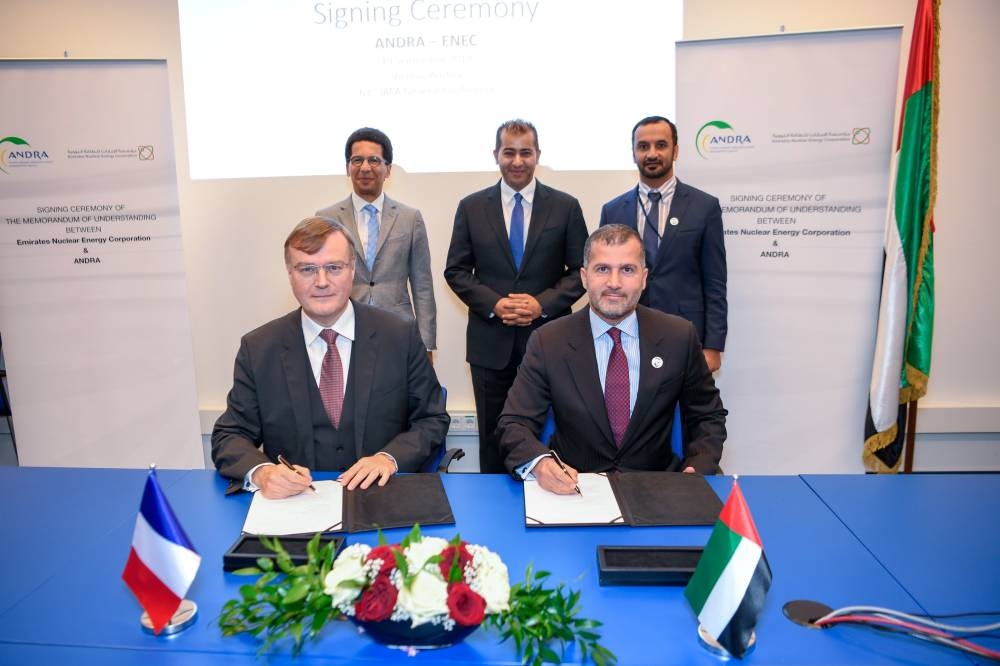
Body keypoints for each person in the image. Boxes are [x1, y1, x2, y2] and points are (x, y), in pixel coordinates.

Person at [212, 217, 449, 498]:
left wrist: (389, 458)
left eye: (334, 268)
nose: (321, 282)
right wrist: (263, 473)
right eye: (307, 269)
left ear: (352, 271)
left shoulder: (399, 336)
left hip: (383, 498)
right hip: (296, 504)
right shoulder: (260, 348)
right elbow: (229, 435)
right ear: (290, 275)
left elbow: (431, 419)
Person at [497, 225, 727, 495]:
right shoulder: (548, 342)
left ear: (643, 278)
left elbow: (707, 416)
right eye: (602, 269)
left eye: (627, 270)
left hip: (658, 490)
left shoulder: (679, 336)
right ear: (584, 277)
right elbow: (513, 423)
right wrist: (540, 463)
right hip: (575, 489)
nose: (614, 283)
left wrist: (697, 467)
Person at [444, 119, 588, 473]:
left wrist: (542, 304)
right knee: (494, 436)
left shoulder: (565, 207)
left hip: (551, 342)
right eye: (509, 152)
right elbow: (456, 271)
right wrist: (494, 304)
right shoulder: (471, 206)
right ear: (496, 155)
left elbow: (582, 272)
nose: (518, 161)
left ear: (538, 154)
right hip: (490, 345)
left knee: (555, 434)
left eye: (526, 152)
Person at [599, 116, 727, 372]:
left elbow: (715, 283)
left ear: (675, 150)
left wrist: (713, 347)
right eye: (643, 146)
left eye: (661, 145)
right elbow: (604, 278)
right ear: (634, 153)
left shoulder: (704, 207)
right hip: (626, 332)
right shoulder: (612, 210)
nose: (652, 153)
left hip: (686, 335)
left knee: (684, 411)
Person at [317, 127, 437, 352]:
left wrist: (427, 345)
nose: (365, 168)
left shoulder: (410, 218)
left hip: (398, 329)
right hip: (342, 328)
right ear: (347, 168)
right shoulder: (327, 218)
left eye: (374, 160)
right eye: (357, 160)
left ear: (388, 169)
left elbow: (423, 286)